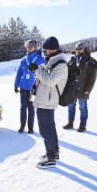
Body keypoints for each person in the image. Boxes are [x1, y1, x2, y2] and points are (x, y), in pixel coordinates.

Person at [28, 36, 68, 169]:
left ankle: (51, 158)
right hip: (44, 99)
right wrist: (37, 69)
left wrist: (37, 70)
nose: (43, 51)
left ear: (53, 49)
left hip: (48, 101)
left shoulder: (60, 64)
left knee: (46, 130)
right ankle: (53, 153)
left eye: (45, 49)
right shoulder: (51, 61)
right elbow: (44, 76)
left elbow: (50, 81)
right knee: (49, 128)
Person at [63, 42, 97, 132]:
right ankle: (70, 122)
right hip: (72, 87)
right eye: (76, 49)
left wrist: (88, 89)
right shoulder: (72, 60)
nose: (78, 51)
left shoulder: (90, 60)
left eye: (80, 49)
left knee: (83, 107)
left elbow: (93, 77)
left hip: (83, 88)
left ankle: (82, 125)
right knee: (71, 106)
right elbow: (67, 73)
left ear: (84, 49)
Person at [14, 39, 45, 134]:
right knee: (23, 107)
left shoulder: (40, 59)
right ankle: (22, 125)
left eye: (30, 47)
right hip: (23, 87)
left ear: (35, 47)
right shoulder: (24, 59)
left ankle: (30, 127)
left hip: (34, 88)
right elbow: (19, 72)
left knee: (31, 108)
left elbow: (46, 73)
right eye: (27, 47)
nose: (28, 49)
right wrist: (16, 84)